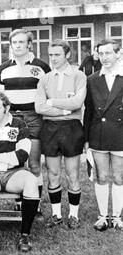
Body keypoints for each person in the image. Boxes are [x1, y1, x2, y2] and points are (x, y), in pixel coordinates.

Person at [0, 91, 40, 252]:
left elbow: (22, 155)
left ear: (7, 108)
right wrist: (5, 161)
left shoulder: (20, 125)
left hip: (15, 173)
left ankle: (25, 234)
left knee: (32, 181)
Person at [35, 40, 86, 229]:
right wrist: (64, 109)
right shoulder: (45, 78)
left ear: (67, 55)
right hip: (49, 128)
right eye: (51, 55)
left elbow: (77, 102)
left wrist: (52, 102)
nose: (53, 58)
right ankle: (56, 214)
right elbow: (39, 107)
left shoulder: (79, 76)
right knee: (53, 173)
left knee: (72, 173)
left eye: (57, 54)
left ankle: (74, 215)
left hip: (72, 128)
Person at [0, 29, 51, 204]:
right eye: (15, 43)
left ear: (29, 44)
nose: (18, 46)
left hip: (34, 117)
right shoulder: (3, 69)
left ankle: (35, 205)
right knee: (15, 162)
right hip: (11, 118)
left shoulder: (41, 67)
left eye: (22, 42)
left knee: (34, 164)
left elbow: (48, 95)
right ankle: (20, 204)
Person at [84, 39, 123, 231]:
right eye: (101, 54)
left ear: (118, 53)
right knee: (101, 176)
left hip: (120, 134)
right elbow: (89, 111)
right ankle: (102, 216)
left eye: (108, 53)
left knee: (118, 176)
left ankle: (116, 216)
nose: (104, 57)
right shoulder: (92, 79)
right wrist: (85, 138)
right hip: (98, 133)